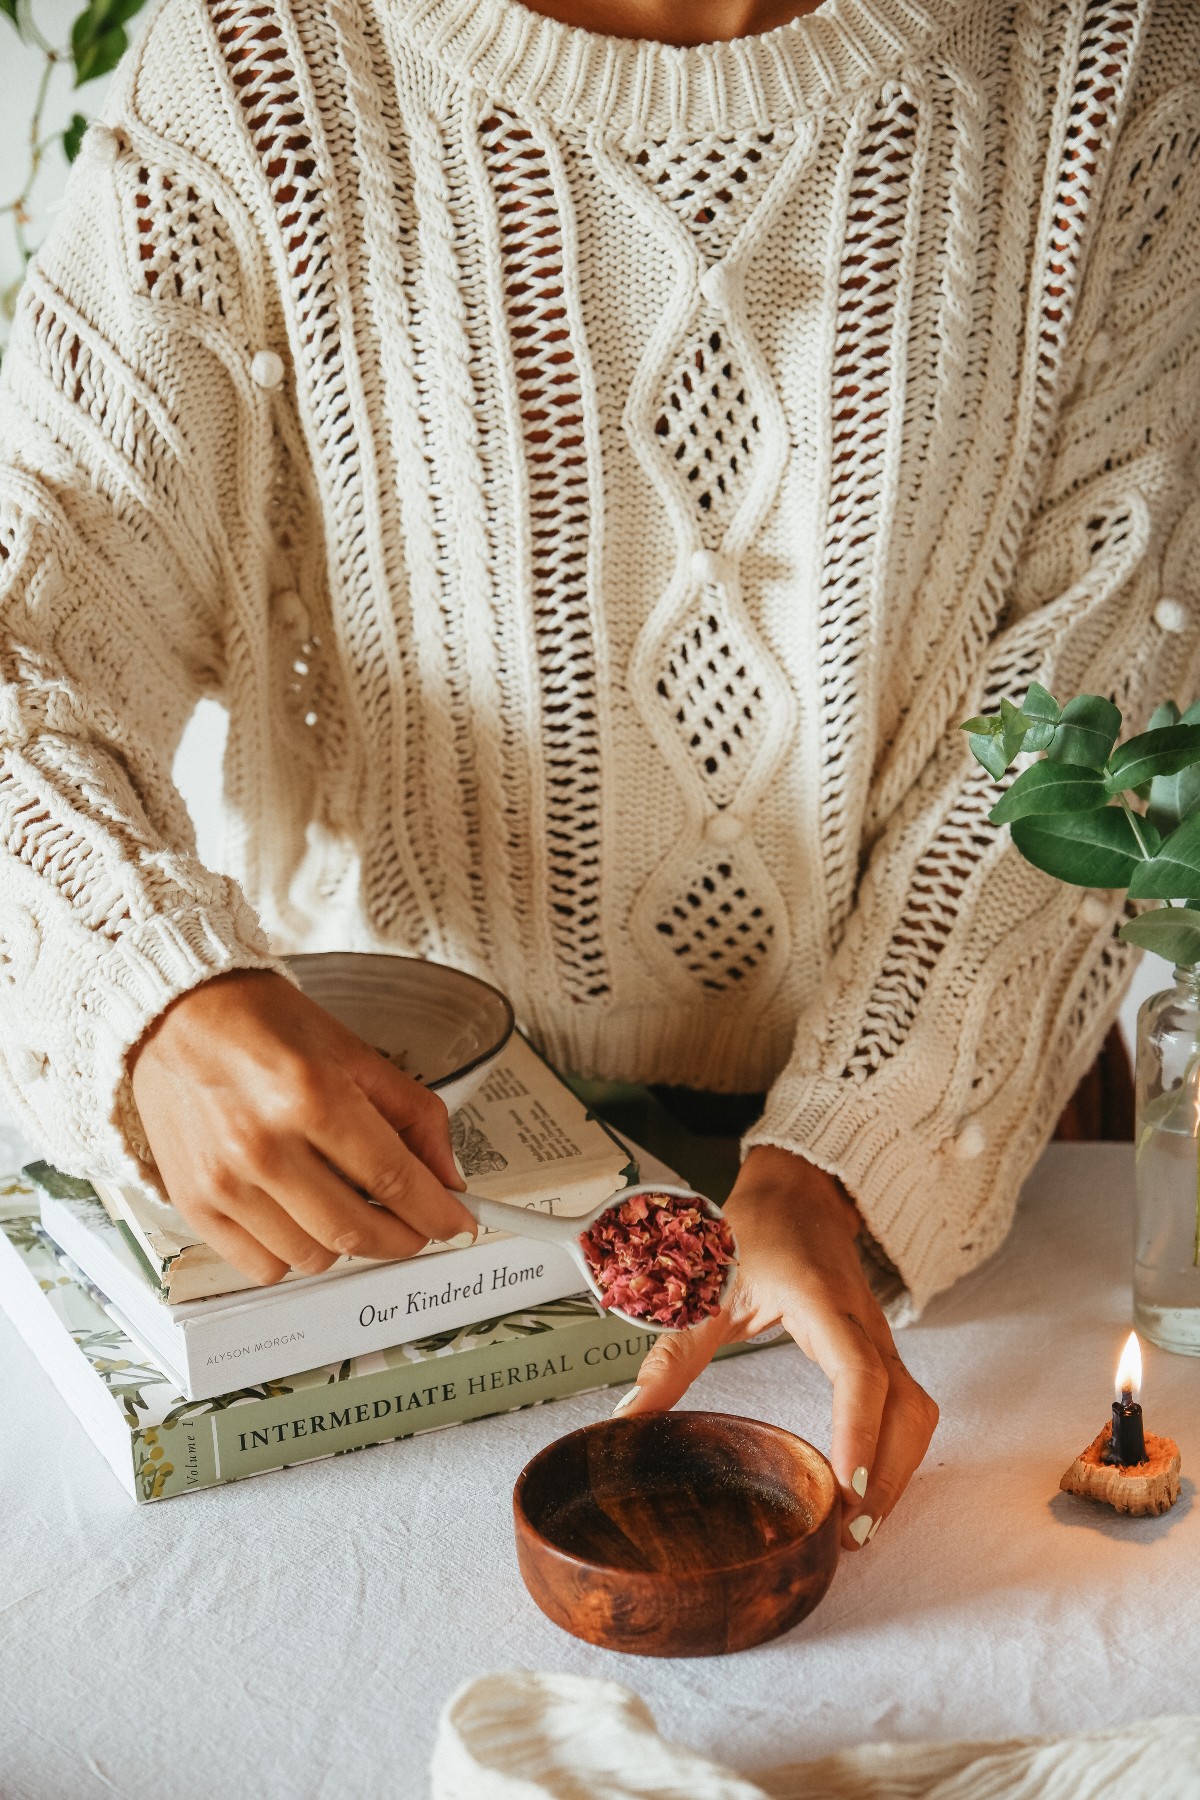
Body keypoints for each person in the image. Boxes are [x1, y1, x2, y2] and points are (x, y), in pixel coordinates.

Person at [0, 0, 1196, 1553]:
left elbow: (1089, 711)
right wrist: (146, 985)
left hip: (957, 1175)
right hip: (399, 1180)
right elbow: (35, 629)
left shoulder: (1118, 62)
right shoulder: (263, 58)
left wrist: (851, 1155)